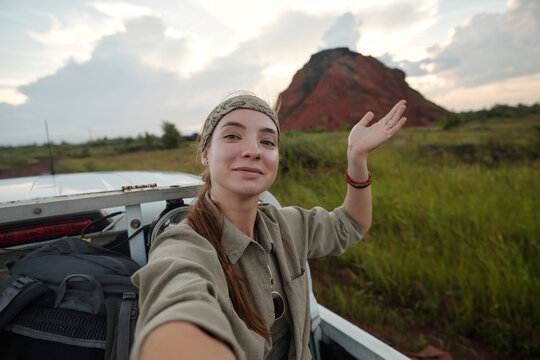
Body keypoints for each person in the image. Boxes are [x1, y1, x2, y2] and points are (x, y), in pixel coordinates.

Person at [131, 93, 407, 360]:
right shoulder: (184, 247)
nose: (253, 151)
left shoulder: (287, 225)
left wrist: (356, 158)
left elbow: (351, 225)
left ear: (277, 157)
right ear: (205, 153)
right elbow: (178, 307)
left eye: (267, 141)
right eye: (232, 136)